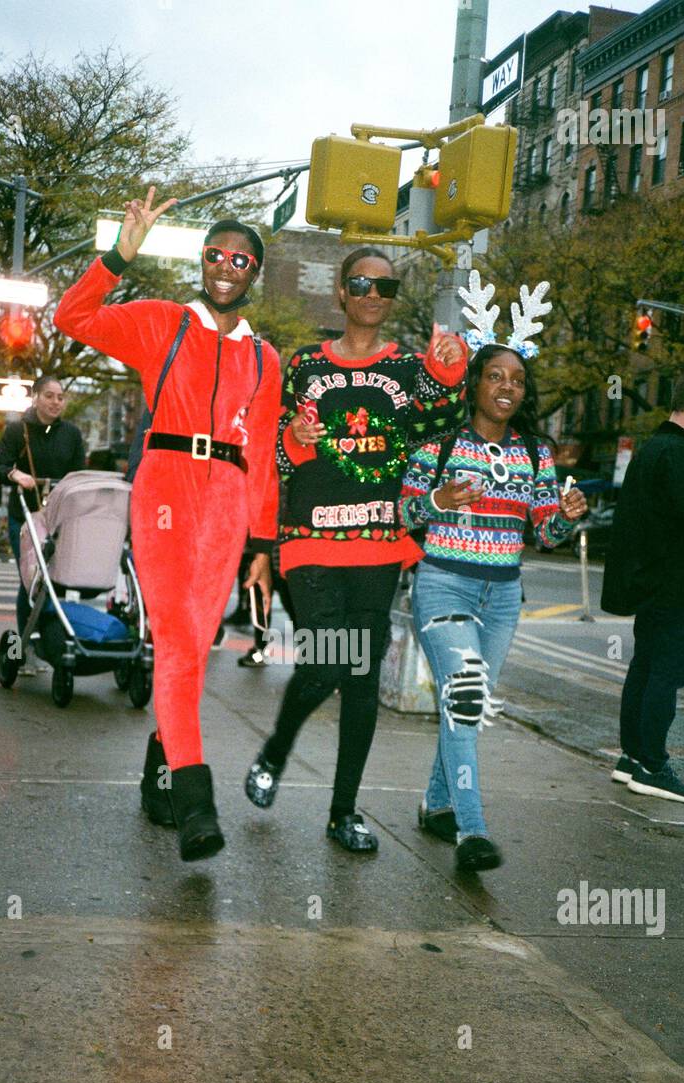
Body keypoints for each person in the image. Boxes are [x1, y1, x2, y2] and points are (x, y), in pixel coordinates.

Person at [54, 190, 281, 861]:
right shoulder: (163, 323)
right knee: (179, 641)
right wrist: (119, 255)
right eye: (214, 253)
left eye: (240, 258)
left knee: (191, 647)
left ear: (254, 273)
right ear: (202, 261)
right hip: (166, 485)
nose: (225, 265)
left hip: (230, 499)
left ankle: (162, 767)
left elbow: (265, 455)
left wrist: (263, 545)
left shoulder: (266, 360)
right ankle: (194, 798)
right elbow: (74, 316)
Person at [244, 246, 467, 851]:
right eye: (362, 284)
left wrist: (448, 371)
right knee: (326, 662)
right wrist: (294, 435)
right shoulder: (305, 365)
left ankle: (343, 813)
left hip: (378, 541)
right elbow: (279, 458)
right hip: (310, 542)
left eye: (386, 287)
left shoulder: (408, 368)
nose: (373, 295)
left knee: (362, 677)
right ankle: (275, 750)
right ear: (341, 293)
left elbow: (440, 423)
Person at [399, 336, 587, 872]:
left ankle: (438, 802)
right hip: (442, 584)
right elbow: (403, 513)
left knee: (469, 705)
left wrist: (568, 515)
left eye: (518, 380)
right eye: (496, 376)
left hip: (503, 595)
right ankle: (472, 830)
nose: (508, 387)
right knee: (464, 699)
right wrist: (439, 499)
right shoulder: (437, 446)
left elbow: (545, 533)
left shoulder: (535, 453)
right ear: (474, 383)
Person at [602, 367, 684, 804]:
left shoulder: (652, 449)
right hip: (681, 584)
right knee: (667, 676)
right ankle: (653, 765)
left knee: (645, 668)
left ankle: (631, 757)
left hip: (652, 584)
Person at [0, 375, 86, 674]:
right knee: (31, 581)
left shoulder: (71, 434)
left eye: (60, 397)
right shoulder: (17, 430)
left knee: (55, 582)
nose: (56, 402)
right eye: (49, 395)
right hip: (25, 517)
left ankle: (48, 640)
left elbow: (78, 474)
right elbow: (0, 466)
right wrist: (15, 475)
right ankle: (24, 646)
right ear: (35, 398)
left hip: (58, 518)